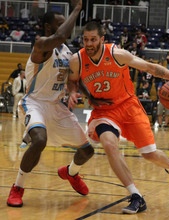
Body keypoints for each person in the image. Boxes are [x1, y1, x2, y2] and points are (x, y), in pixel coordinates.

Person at [68, 21, 169, 214]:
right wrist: (77, 93)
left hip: (129, 107)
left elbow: (149, 67)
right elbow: (72, 81)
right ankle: (136, 195)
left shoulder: (117, 54)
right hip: (104, 112)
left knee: (150, 154)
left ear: (102, 39)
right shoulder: (77, 59)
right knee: (109, 145)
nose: (89, 43)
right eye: (85, 39)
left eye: (93, 39)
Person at [7, 1, 95, 208]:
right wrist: (76, 10)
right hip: (34, 103)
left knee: (87, 151)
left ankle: (70, 173)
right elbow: (60, 36)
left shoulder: (67, 52)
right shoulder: (41, 44)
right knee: (39, 141)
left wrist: (92, 97)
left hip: (56, 107)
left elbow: (75, 79)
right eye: (61, 23)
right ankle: (17, 187)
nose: (68, 27)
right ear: (49, 27)